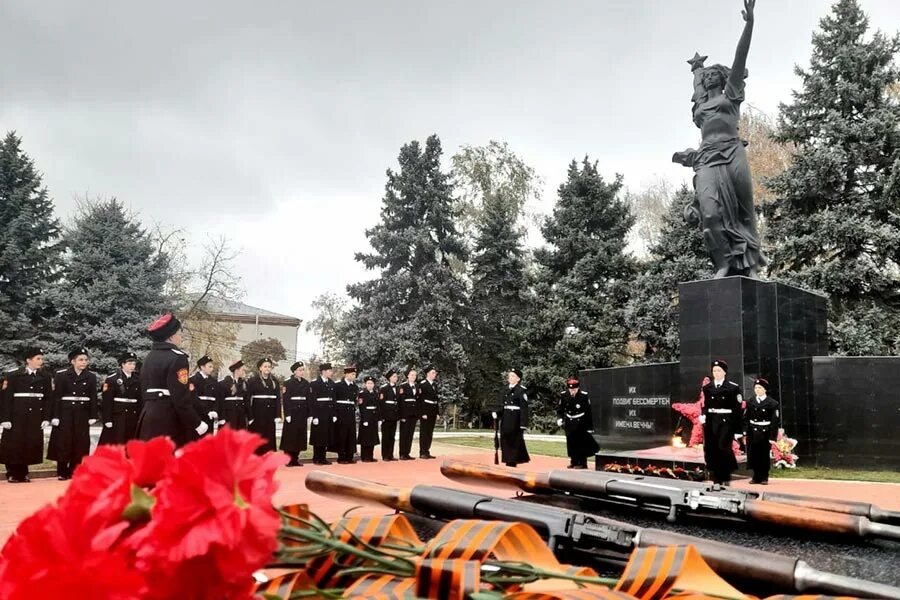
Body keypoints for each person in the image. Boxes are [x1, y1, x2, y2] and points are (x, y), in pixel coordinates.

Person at [673, 0, 764, 278]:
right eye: (707, 74)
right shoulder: (700, 108)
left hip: (732, 151)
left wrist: (749, 24)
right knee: (710, 214)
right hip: (707, 158)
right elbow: (696, 81)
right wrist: (696, 69)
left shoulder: (732, 95)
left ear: (723, 79)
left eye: (715, 73)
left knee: (744, 211)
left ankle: (750, 267)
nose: (710, 75)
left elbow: (740, 58)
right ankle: (723, 262)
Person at [137, 313, 207, 447]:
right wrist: (196, 423)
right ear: (170, 336)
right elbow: (180, 396)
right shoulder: (178, 358)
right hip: (168, 419)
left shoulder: (149, 357)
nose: (181, 336)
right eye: (179, 333)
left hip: (148, 416)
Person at [0, 347, 53, 483]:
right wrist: (4, 419)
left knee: (29, 443)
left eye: (42, 358)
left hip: (35, 415)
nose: (41, 361)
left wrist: (46, 418)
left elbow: (48, 399)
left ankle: (23, 473)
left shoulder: (45, 377)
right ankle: (11, 473)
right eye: (38, 359)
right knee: (13, 443)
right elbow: (5, 399)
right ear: (28, 360)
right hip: (16, 415)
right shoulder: (13, 375)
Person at [47, 348, 99, 480]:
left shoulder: (91, 376)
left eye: (86, 360)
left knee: (80, 442)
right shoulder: (62, 375)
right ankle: (62, 471)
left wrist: (93, 415)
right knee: (64, 441)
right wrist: (55, 416)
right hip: (65, 413)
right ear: (72, 361)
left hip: (82, 413)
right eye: (81, 360)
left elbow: (93, 397)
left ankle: (75, 470)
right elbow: (56, 397)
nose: (84, 362)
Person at [700, 359, 743, 484]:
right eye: (714, 371)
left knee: (723, 447)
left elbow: (737, 410)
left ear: (724, 372)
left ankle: (725, 476)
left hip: (726, 421)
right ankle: (715, 477)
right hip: (711, 421)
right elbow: (706, 405)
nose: (716, 373)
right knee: (711, 449)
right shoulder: (707, 388)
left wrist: (738, 430)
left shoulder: (732, 388)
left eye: (719, 370)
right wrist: (703, 415)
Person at [98, 351, 142, 446]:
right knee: (116, 443)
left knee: (130, 443)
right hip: (117, 416)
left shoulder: (138, 380)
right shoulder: (112, 379)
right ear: (122, 364)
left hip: (132, 416)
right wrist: (107, 419)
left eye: (134, 364)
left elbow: (140, 401)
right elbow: (107, 402)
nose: (132, 366)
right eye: (129, 363)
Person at [556, 376, 599, 469]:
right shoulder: (564, 395)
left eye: (574, 389)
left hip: (580, 422)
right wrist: (559, 418)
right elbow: (560, 408)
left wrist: (589, 427)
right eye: (570, 389)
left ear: (578, 388)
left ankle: (582, 463)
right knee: (571, 442)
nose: (572, 391)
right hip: (569, 421)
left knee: (580, 443)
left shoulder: (583, 395)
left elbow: (588, 412)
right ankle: (573, 461)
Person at [743, 377, 780, 485]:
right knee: (753, 454)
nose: (757, 390)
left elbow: (774, 422)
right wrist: (745, 431)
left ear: (765, 389)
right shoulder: (750, 401)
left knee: (763, 455)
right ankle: (756, 476)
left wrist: (772, 437)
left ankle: (764, 476)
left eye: (760, 388)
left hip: (765, 432)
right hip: (753, 432)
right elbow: (745, 418)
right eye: (756, 388)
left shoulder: (772, 403)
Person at [492, 368, 529, 467]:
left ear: (518, 379)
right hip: (506, 417)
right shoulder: (505, 389)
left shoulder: (521, 390)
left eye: (513, 376)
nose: (510, 377)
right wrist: (497, 412)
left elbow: (524, 408)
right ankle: (507, 459)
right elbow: (502, 404)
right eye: (510, 375)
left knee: (514, 440)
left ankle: (512, 461)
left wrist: (523, 424)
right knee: (505, 438)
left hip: (515, 418)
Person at [246, 357, 282, 454]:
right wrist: (250, 416)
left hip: (270, 415)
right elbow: (247, 399)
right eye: (265, 366)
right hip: (257, 414)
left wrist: (278, 415)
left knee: (269, 438)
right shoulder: (252, 381)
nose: (267, 369)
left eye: (269, 367)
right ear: (260, 368)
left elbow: (278, 399)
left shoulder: (274, 381)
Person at [280, 361, 310, 466]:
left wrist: (308, 413)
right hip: (292, 411)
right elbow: (286, 399)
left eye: (303, 370)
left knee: (299, 436)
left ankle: (295, 458)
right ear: (294, 371)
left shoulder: (306, 383)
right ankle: (288, 459)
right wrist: (287, 414)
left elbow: (308, 399)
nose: (302, 372)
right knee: (290, 436)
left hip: (302, 412)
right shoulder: (288, 382)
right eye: (300, 370)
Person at [309, 362, 335, 465]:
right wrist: (313, 415)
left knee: (326, 436)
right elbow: (312, 400)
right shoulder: (315, 383)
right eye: (329, 371)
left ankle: (323, 457)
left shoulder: (331, 383)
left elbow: (333, 400)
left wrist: (333, 414)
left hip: (328, 412)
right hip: (319, 413)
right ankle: (316, 458)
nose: (331, 372)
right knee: (318, 436)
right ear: (323, 371)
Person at [332, 365, 359, 464]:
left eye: (355, 374)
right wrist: (334, 414)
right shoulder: (338, 385)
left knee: (351, 434)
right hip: (341, 412)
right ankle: (341, 457)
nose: (354, 376)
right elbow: (334, 400)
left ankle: (350, 456)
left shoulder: (355, 386)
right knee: (342, 434)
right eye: (353, 374)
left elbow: (355, 400)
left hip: (350, 412)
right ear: (347, 374)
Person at [189, 355, 220, 437]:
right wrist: (207, 412)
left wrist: (215, 411)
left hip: (210, 416)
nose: (212, 369)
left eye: (212, 367)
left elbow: (217, 398)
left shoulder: (214, 382)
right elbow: (194, 399)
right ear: (202, 367)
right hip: (198, 416)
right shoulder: (193, 380)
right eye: (209, 366)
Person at [418, 365, 440, 459]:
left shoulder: (434, 385)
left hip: (433, 411)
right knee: (424, 432)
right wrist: (423, 413)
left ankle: (427, 451)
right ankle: (422, 452)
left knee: (430, 433)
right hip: (426, 412)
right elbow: (421, 400)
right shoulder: (423, 384)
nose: (434, 374)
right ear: (428, 374)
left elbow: (436, 400)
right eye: (433, 373)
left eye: (435, 373)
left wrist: (437, 413)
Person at [397, 368, 419, 461]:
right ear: (407, 376)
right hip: (405, 413)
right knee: (404, 433)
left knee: (410, 434)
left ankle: (407, 453)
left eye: (415, 375)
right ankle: (402, 453)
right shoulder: (403, 386)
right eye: (412, 375)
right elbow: (400, 401)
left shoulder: (417, 386)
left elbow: (417, 400)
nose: (413, 376)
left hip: (413, 413)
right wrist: (401, 415)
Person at [220, 360, 249, 430]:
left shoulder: (244, 384)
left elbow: (246, 401)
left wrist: (249, 417)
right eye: (242, 370)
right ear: (236, 370)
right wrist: (222, 417)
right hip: (229, 416)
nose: (244, 372)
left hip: (241, 416)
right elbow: (221, 402)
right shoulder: (223, 384)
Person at [357, 376, 380, 462]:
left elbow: (378, 407)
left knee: (372, 437)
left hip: (373, 417)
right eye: (368, 383)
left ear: (374, 385)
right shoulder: (362, 393)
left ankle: (370, 456)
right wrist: (364, 419)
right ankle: (364, 456)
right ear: (365, 384)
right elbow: (361, 407)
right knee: (365, 437)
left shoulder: (375, 393)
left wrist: (379, 419)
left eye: (371, 383)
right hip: (366, 417)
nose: (370, 385)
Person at [378, 369, 400, 461]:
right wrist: (381, 417)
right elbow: (381, 404)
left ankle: (390, 454)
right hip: (386, 415)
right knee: (386, 436)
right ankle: (385, 455)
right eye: (394, 376)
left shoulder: (398, 388)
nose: (396, 378)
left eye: (396, 376)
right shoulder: (384, 388)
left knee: (392, 436)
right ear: (389, 378)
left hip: (394, 415)